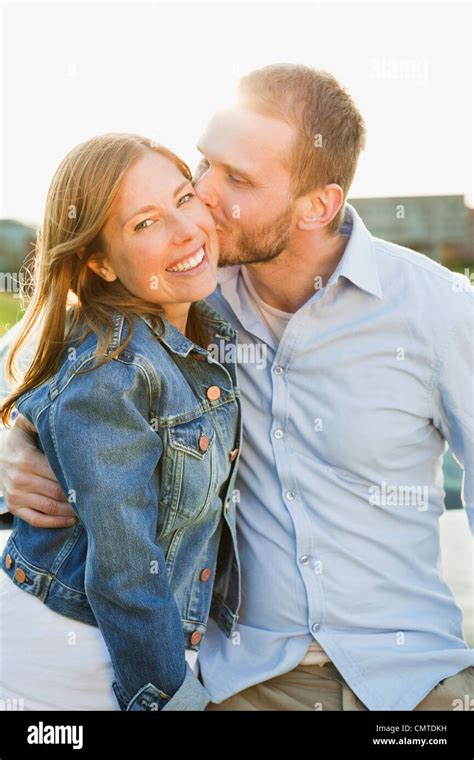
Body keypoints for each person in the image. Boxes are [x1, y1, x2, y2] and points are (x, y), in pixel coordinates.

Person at [1, 63, 473, 711]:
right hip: (239, 678)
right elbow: (38, 353)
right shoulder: (180, 280)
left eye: (239, 179)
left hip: (414, 674)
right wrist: (15, 443)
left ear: (319, 206)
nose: (205, 195)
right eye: (204, 165)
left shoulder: (437, 307)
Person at [0, 133, 243, 711]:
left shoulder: (203, 327)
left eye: (185, 198)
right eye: (144, 223)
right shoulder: (113, 373)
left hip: (150, 644)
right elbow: (126, 573)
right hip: (79, 658)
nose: (185, 230)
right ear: (99, 261)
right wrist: (173, 699)